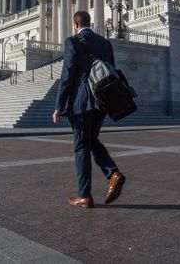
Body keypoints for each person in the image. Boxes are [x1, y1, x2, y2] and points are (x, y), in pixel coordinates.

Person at [53, 11, 126, 208]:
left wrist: (59, 106)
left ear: (75, 25)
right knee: (91, 140)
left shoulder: (73, 42)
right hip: (101, 101)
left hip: (81, 102)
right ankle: (113, 173)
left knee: (81, 148)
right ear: (89, 23)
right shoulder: (105, 43)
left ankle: (84, 194)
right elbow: (111, 68)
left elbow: (67, 75)